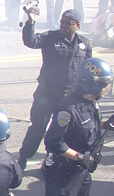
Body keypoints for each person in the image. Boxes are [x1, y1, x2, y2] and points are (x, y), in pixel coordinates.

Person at [32, 58, 113, 196]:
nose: (106, 88)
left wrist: (106, 125)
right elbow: (53, 142)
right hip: (64, 170)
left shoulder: (91, 101)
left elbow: (89, 128)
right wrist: (78, 157)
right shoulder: (67, 108)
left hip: (83, 168)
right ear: (92, 84)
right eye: (104, 84)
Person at [17, 9, 91, 170]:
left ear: (77, 26)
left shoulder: (84, 44)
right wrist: (30, 22)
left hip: (69, 98)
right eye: (62, 22)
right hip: (47, 94)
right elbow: (30, 41)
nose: (64, 25)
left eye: (69, 23)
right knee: (37, 127)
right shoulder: (50, 37)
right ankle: (23, 157)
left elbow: (88, 69)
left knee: (63, 130)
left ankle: (53, 158)